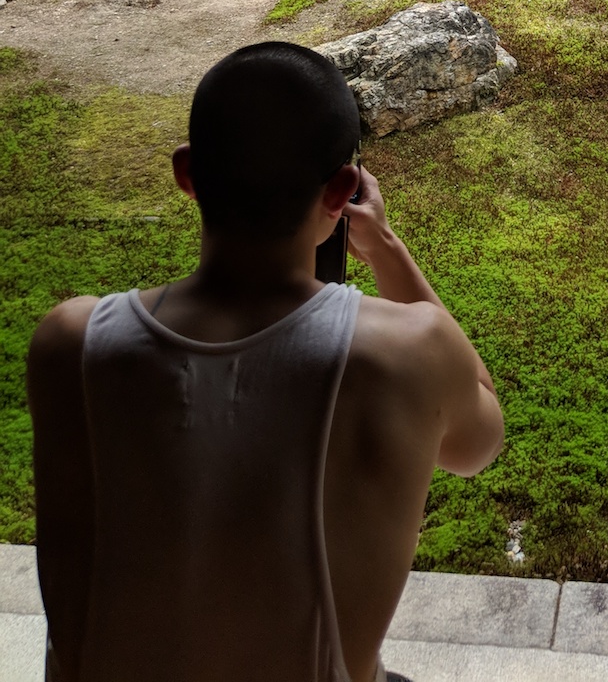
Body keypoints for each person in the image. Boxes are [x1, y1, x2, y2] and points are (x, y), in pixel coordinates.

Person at [26, 42, 504, 682]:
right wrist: (385, 246)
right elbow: (477, 444)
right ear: (341, 190)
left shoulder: (69, 342)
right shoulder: (405, 351)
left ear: (187, 174)